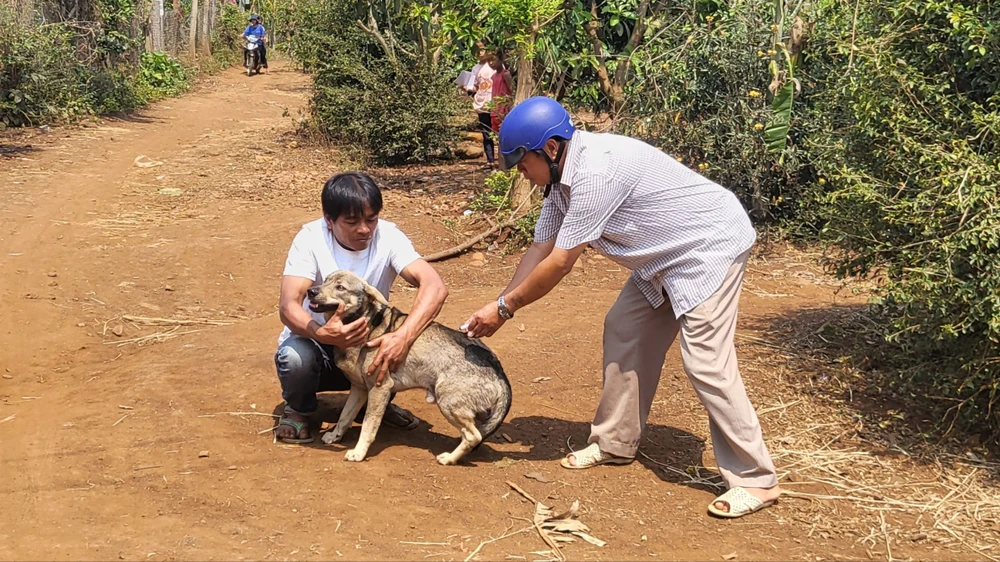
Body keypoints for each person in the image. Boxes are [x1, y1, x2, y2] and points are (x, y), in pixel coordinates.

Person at [461, 96, 782, 519]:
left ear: (551, 149)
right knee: (624, 328)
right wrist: (497, 303)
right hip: (660, 257)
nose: (522, 173)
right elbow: (540, 247)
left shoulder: (596, 171)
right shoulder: (559, 182)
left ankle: (756, 480)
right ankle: (614, 442)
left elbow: (560, 262)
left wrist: (504, 310)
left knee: (706, 362)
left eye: (523, 164)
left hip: (708, 246)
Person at [274, 172, 448, 443]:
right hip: (319, 349)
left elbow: (434, 286)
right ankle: (298, 410)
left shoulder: (389, 236)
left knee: (401, 339)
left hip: (366, 349)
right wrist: (322, 334)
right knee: (295, 357)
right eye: (352, 221)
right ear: (329, 221)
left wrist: (403, 337)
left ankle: (376, 403)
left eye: (371, 219)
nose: (365, 229)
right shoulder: (310, 238)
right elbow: (288, 305)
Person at [471, 50, 498, 170]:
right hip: (482, 105)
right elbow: (473, 86)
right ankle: (490, 160)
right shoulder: (475, 69)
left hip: (496, 105)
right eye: (478, 50)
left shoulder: (496, 66)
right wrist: (466, 87)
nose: (480, 53)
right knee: (486, 134)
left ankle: (503, 160)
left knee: (499, 132)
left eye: (483, 50)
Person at [488, 49, 514, 134]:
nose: (491, 63)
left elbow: (511, 90)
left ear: (500, 59)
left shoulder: (505, 74)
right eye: (488, 61)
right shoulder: (493, 76)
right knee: (497, 135)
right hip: (495, 111)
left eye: (493, 59)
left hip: (504, 111)